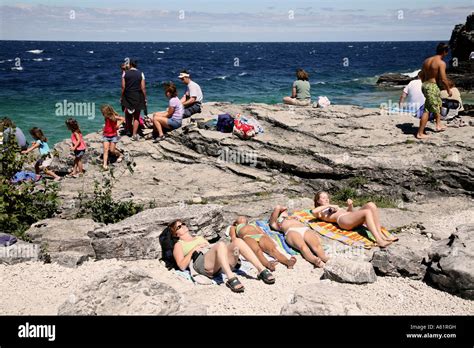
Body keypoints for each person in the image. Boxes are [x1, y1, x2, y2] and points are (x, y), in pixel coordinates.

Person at [165, 219, 275, 293]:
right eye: (179, 226)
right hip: (201, 262)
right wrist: (194, 249)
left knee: (237, 242)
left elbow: (213, 249)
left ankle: (262, 270)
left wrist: (233, 253)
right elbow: (182, 266)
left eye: (183, 224)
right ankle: (231, 278)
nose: (183, 226)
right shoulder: (179, 245)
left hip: (217, 263)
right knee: (221, 245)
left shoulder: (199, 237)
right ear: (175, 234)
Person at [312, 191, 398, 248]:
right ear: (318, 201)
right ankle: (379, 241)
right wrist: (328, 206)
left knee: (371, 204)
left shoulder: (333, 206)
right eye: (323, 198)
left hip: (349, 217)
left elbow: (349, 212)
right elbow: (313, 211)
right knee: (367, 212)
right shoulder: (320, 212)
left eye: (327, 197)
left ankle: (381, 235)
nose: (326, 199)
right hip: (343, 221)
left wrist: (350, 206)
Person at [230, 216, 297, 271]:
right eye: (239, 217)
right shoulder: (234, 227)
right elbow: (233, 237)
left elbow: (262, 233)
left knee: (273, 250)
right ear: (235, 222)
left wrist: (270, 239)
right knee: (257, 251)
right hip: (247, 237)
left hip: (260, 236)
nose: (242, 218)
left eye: (243, 217)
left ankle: (287, 262)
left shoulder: (253, 225)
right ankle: (268, 264)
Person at [417, 43, 452, 139]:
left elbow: (421, 74)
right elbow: (444, 79)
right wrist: (449, 90)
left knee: (437, 104)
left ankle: (438, 125)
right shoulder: (441, 63)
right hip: (432, 86)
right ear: (445, 52)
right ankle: (420, 133)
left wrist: (425, 85)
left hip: (425, 85)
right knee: (427, 110)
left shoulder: (426, 61)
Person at [121, 59, 147, 141]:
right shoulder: (141, 74)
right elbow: (143, 88)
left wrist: (121, 97)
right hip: (138, 96)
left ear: (130, 65)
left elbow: (123, 87)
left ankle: (128, 131)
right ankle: (134, 134)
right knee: (136, 116)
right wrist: (145, 98)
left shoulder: (125, 74)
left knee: (128, 115)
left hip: (127, 96)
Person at [101, 105, 124, 170]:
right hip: (106, 135)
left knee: (112, 150)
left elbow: (122, 119)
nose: (102, 114)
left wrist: (118, 125)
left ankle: (120, 154)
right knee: (105, 150)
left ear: (107, 112)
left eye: (103, 113)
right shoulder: (106, 117)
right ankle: (104, 164)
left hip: (113, 136)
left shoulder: (114, 117)